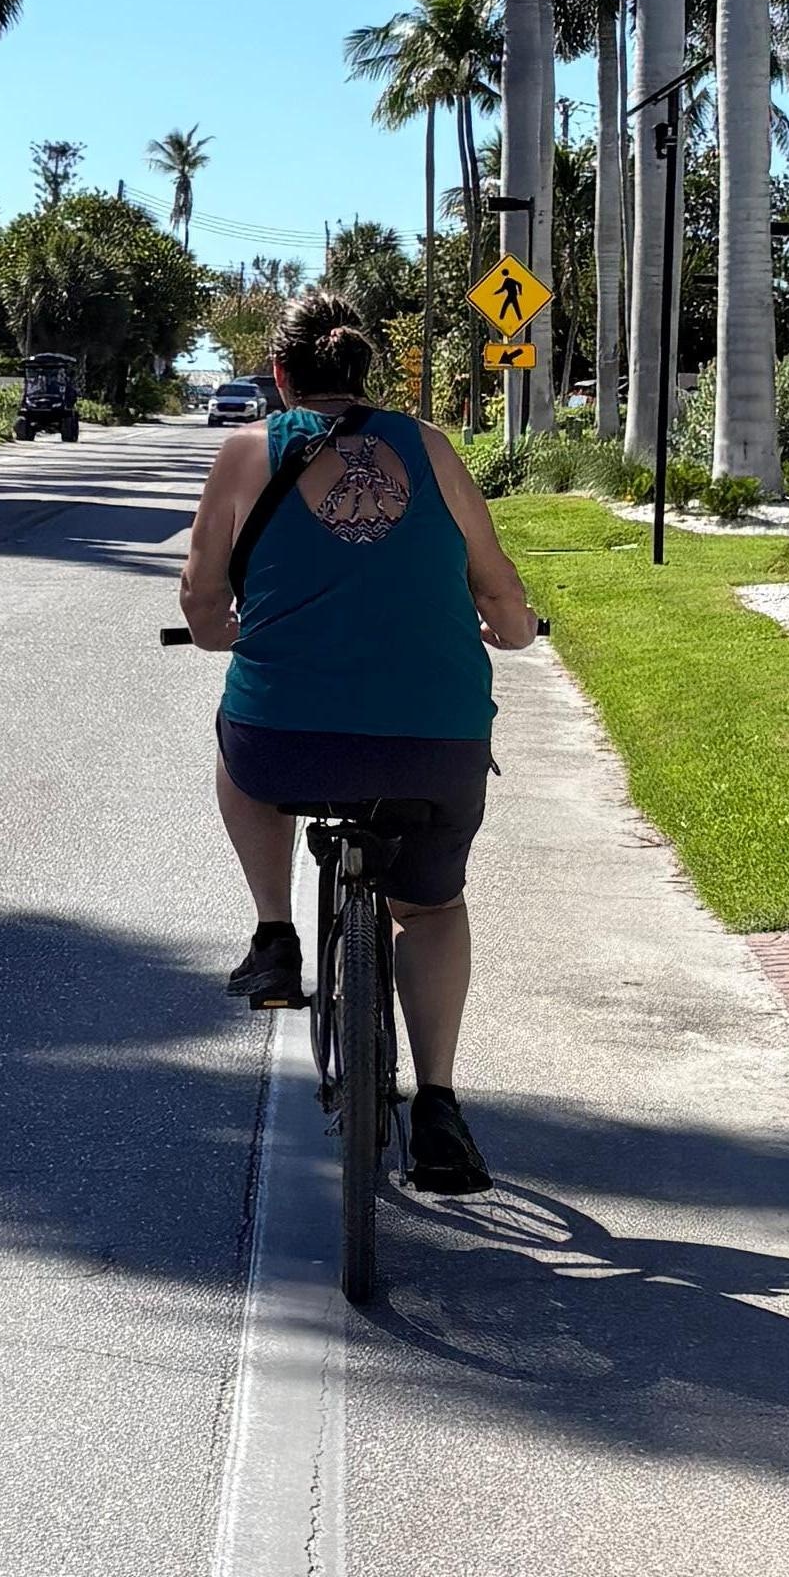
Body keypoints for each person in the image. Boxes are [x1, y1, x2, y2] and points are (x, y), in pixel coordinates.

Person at [177, 285, 537, 1195]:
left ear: (280, 372)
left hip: (285, 742)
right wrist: (518, 630)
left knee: (237, 741)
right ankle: (442, 1111)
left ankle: (275, 934)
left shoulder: (246, 452)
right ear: (364, 373)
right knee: (433, 909)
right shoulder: (433, 449)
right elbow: (497, 588)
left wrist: (225, 634)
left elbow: (202, 602)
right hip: (434, 742)